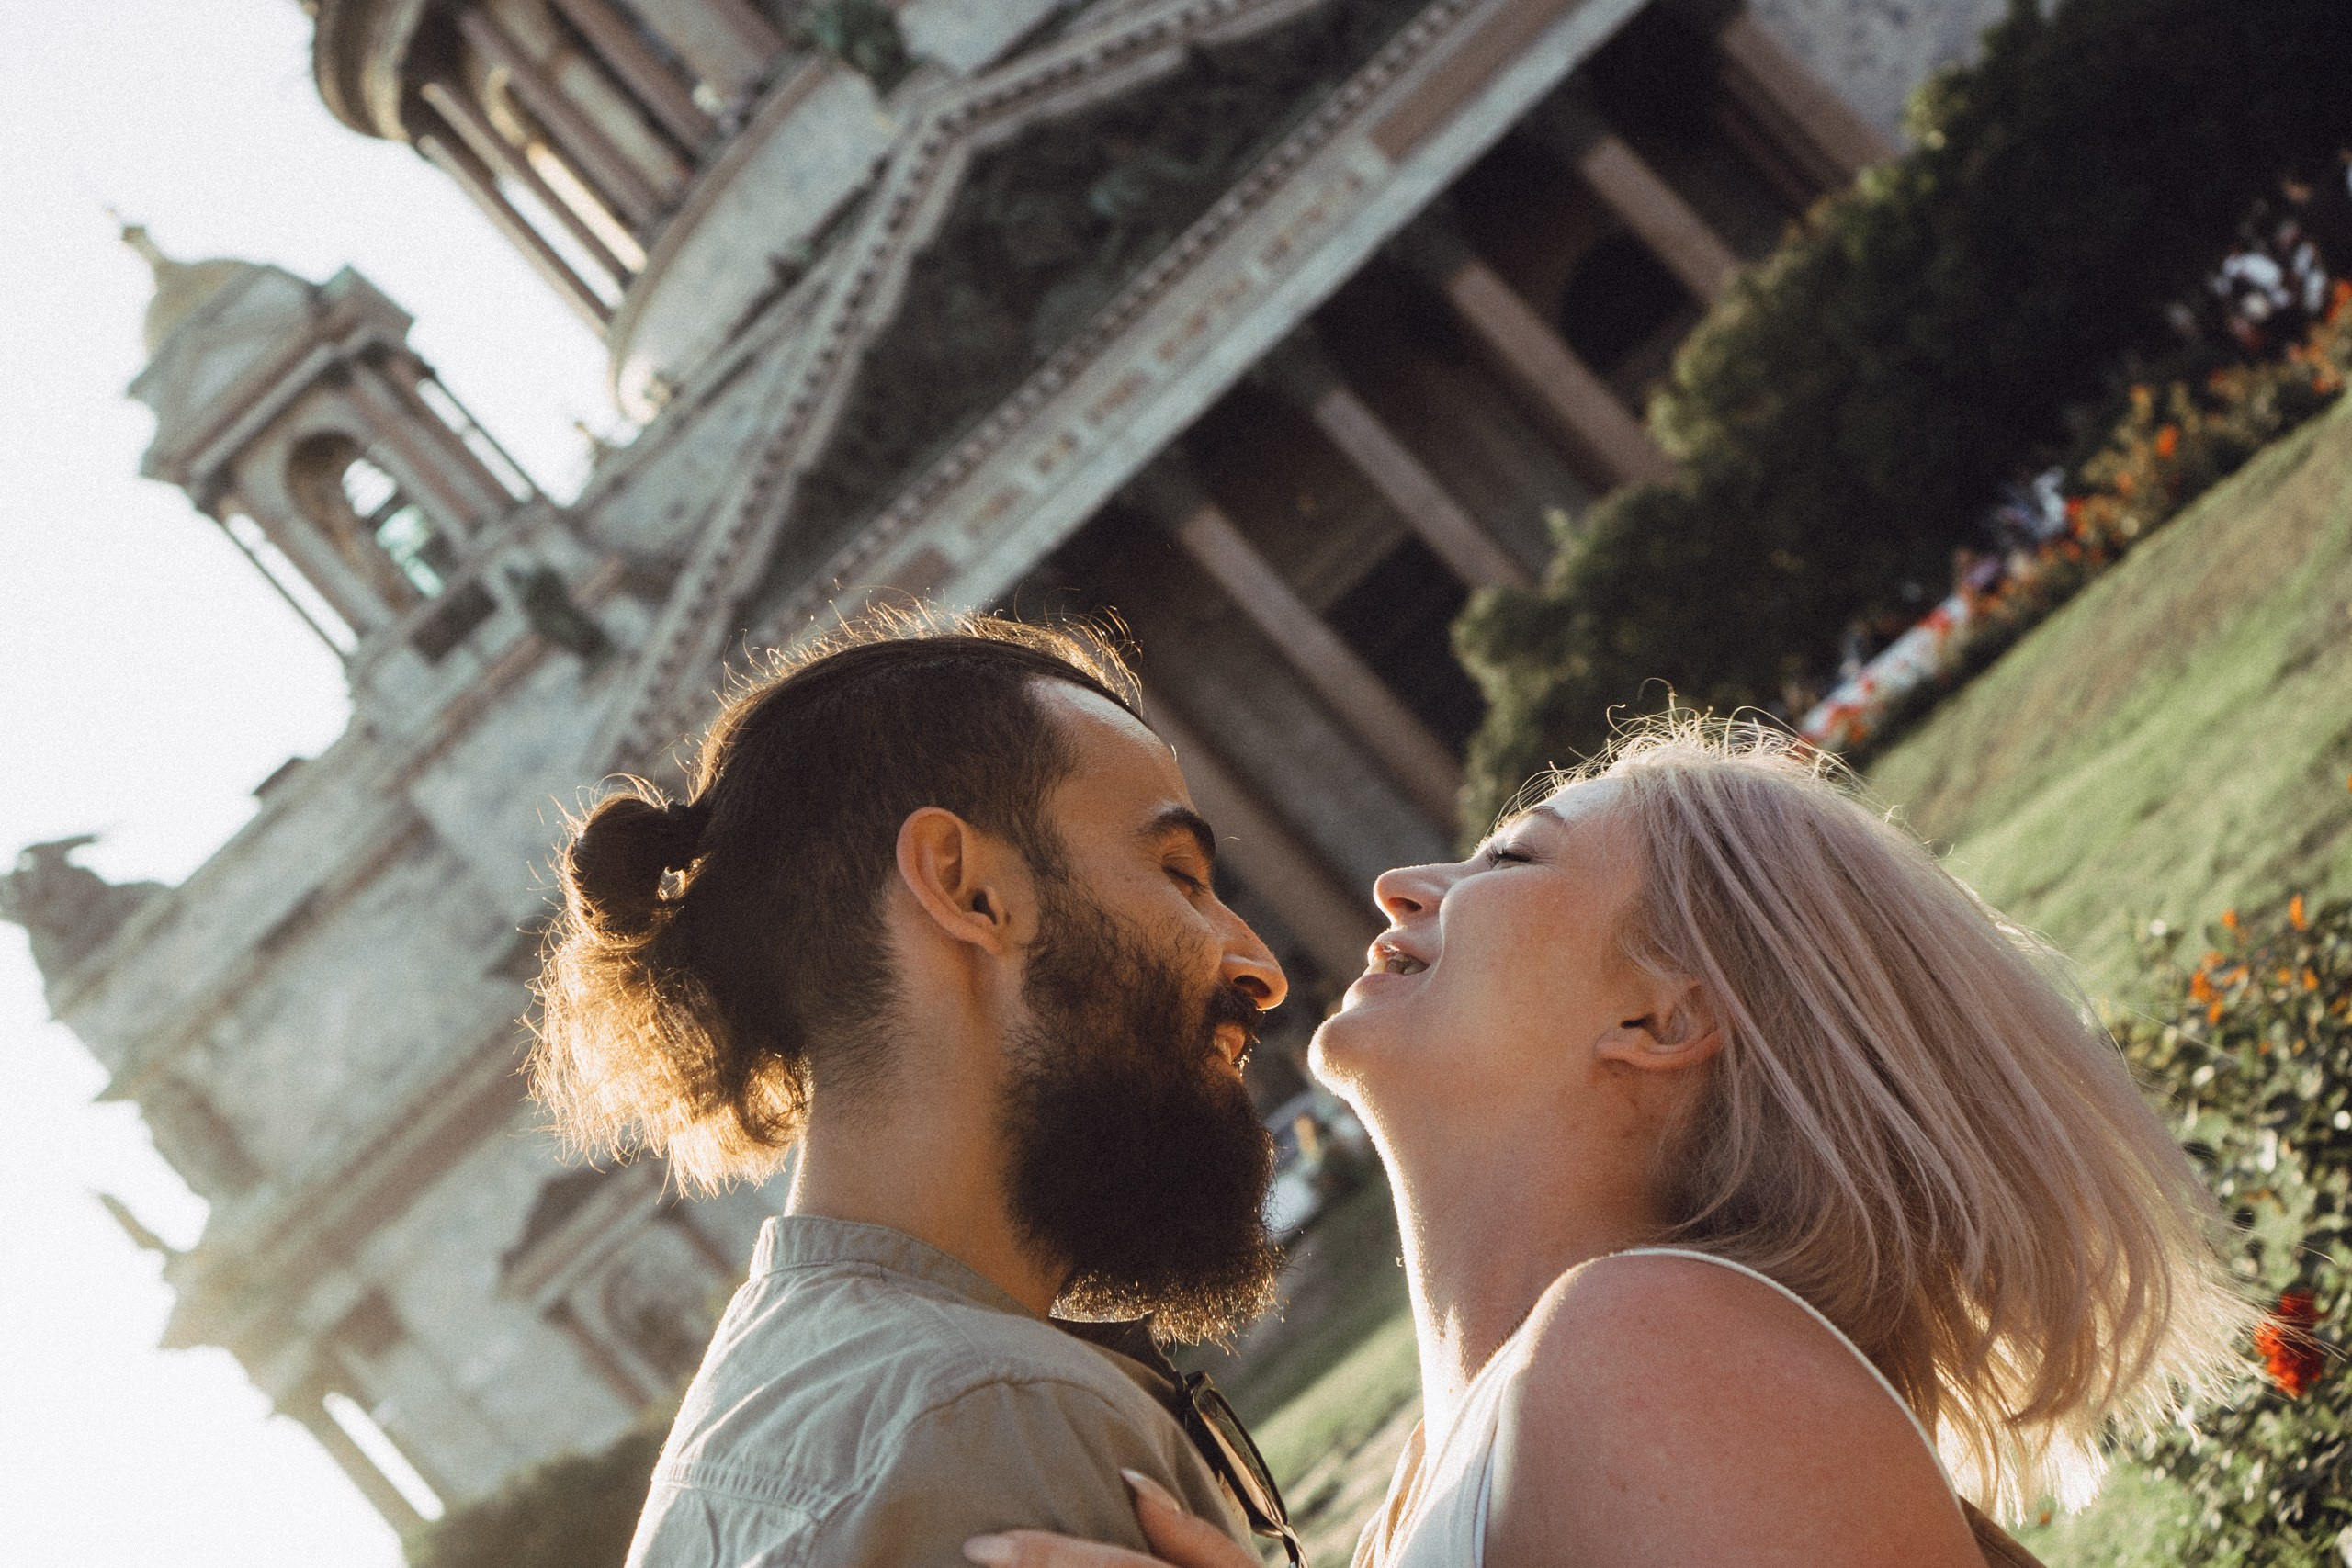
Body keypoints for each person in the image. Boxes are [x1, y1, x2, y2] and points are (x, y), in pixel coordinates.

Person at [966, 718, 2252, 1568]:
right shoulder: (1431, 1473)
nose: (1403, 885)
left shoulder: (1652, 1342)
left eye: (1511, 858)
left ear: (1665, 1007)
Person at [531, 613, 1306, 1567]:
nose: (1260, 966)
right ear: (968, 890)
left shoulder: (773, 1402)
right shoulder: (994, 1415)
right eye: (1179, 874)